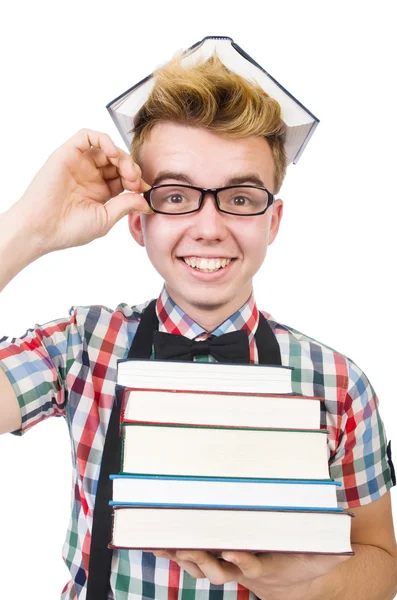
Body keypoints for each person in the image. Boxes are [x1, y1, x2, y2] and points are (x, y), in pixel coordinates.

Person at [0, 52, 396, 600]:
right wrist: (27, 228)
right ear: (138, 220)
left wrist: (297, 583)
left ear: (272, 221)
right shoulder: (81, 345)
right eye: (177, 197)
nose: (209, 228)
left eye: (239, 198)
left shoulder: (338, 383)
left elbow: (380, 566)